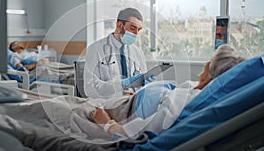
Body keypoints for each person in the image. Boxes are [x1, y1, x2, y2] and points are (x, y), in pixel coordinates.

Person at [90, 45, 246, 138]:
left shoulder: (187, 103)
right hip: (130, 100)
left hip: (125, 112)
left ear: (212, 76)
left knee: (74, 108)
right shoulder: (198, 88)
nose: (206, 63)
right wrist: (141, 95)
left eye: (210, 61)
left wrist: (106, 124)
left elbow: (136, 134)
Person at [84, 8, 151, 99]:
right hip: (107, 104)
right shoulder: (95, 49)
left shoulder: (138, 53)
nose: (136, 33)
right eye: (132, 28)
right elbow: (90, 88)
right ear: (119, 25)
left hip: (131, 103)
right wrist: (121, 84)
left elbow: (141, 87)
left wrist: (145, 86)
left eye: (138, 30)